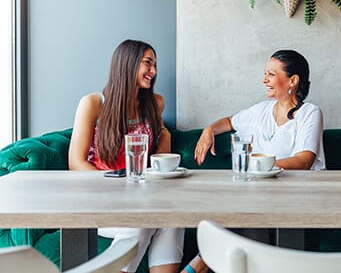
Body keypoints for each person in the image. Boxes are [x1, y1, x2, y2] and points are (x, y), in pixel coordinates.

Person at [182, 49, 325, 273]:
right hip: (260, 199)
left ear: (293, 80)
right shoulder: (262, 111)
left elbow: (304, 160)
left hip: (299, 198)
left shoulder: (310, 113)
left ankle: (196, 266)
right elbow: (230, 122)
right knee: (242, 213)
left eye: (271, 73)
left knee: (239, 213)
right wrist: (209, 130)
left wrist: (257, 166)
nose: (264, 79)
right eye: (265, 73)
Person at [68, 39, 184, 273]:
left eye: (155, 65)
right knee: (143, 220)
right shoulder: (92, 103)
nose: (154, 72)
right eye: (148, 63)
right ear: (127, 64)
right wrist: (118, 186)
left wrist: (164, 135)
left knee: (174, 216)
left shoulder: (155, 103)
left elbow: (159, 157)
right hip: (100, 199)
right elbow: (75, 163)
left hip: (140, 196)